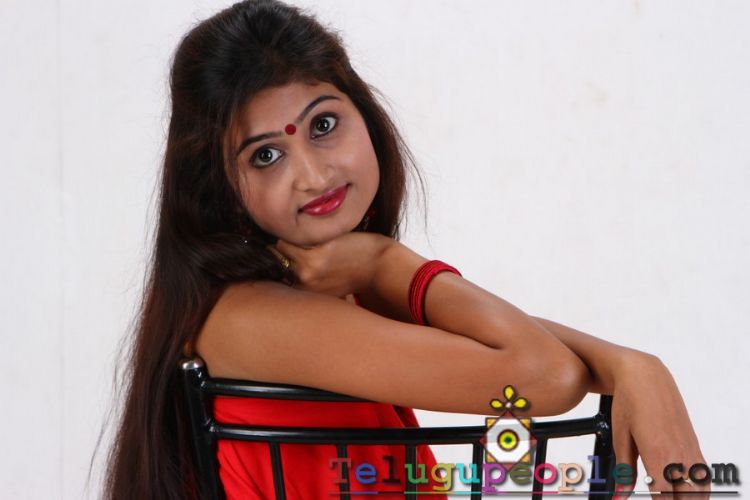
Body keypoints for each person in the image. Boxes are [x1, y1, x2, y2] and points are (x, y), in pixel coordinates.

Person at [103, 0, 709, 498]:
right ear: (220, 188)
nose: (313, 175)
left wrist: (633, 367)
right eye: (266, 155)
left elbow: (510, 342)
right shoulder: (247, 318)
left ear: (365, 115)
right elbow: (546, 375)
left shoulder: (322, 300)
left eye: (323, 125)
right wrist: (383, 262)